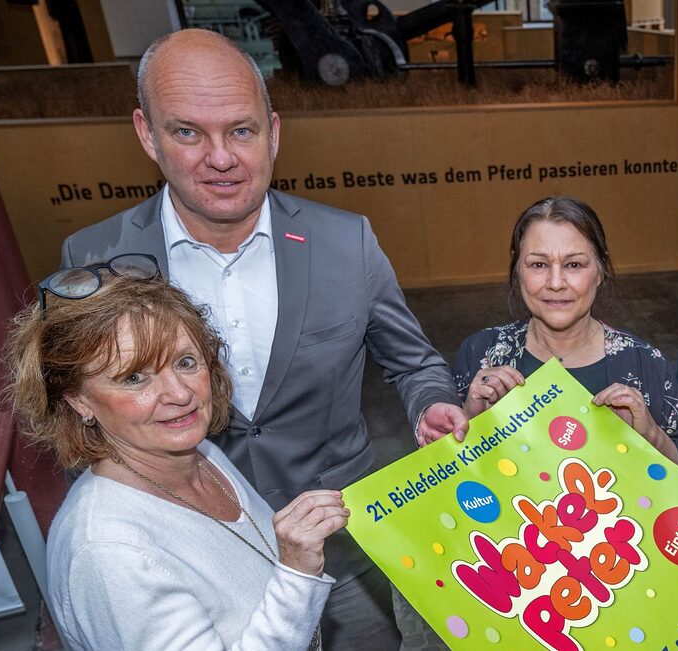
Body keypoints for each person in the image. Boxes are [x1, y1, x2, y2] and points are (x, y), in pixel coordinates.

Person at [57, 29, 464, 649]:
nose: (220, 157)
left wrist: (431, 402)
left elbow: (413, 365)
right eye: (188, 131)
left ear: (273, 132)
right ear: (146, 133)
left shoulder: (345, 242)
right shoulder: (97, 259)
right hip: (199, 559)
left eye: (241, 131)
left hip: (345, 546)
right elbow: (84, 411)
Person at [8, 266, 346, 650]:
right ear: (79, 400)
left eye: (186, 362)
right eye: (135, 377)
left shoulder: (198, 451)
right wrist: (297, 574)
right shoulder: (110, 552)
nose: (180, 394)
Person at [452, 196, 678, 472]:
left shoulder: (644, 364)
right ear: (517, 268)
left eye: (574, 265)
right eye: (538, 265)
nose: (556, 283)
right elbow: (440, 479)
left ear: (600, 271)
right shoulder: (482, 354)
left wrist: (650, 435)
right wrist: (472, 419)